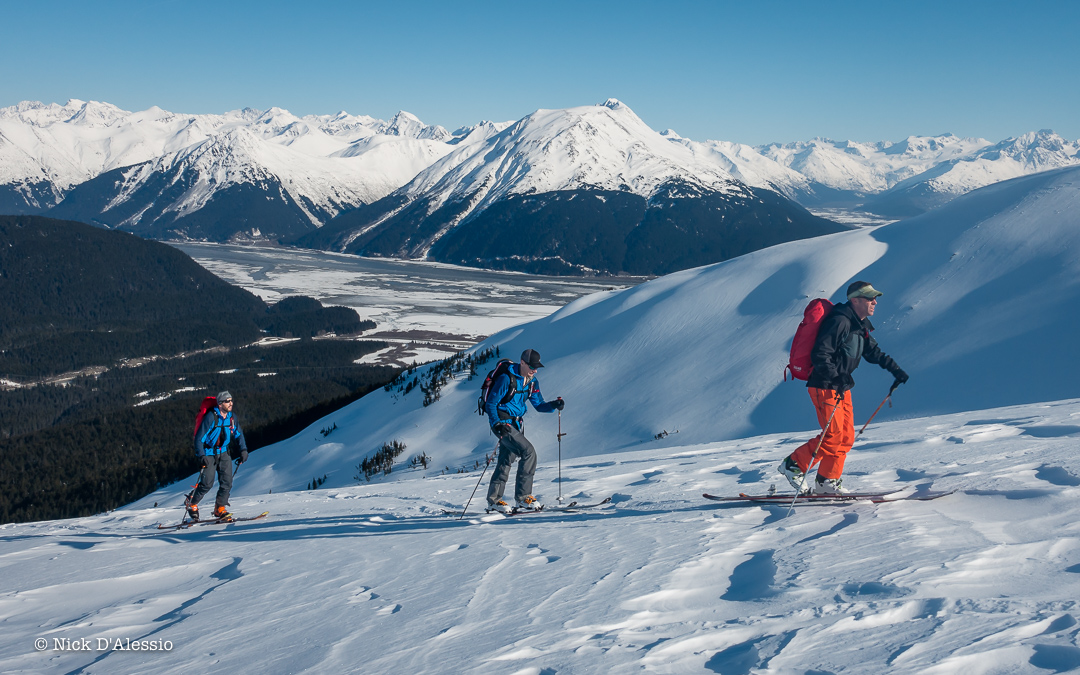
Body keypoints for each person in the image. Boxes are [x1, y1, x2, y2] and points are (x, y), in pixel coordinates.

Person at [778, 281, 909, 495]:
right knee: (833, 434)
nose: (874, 302)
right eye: (869, 298)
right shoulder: (839, 321)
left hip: (841, 385)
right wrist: (835, 378)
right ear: (855, 300)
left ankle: (827, 482)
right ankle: (794, 464)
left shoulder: (860, 325)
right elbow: (820, 354)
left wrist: (896, 370)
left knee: (845, 436)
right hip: (825, 384)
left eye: (875, 298)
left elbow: (874, 353)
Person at [484, 349, 564, 513]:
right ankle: (523, 498)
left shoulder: (533, 382)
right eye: (532, 366)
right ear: (522, 363)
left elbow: (539, 405)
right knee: (529, 452)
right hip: (502, 422)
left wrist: (553, 406)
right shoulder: (507, 379)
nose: (535, 370)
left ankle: (494, 501)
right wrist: (497, 423)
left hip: (516, 424)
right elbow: (490, 404)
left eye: (537, 367)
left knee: (506, 460)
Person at [186, 391, 249, 520]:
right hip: (209, 453)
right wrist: (201, 455)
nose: (230, 403)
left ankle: (220, 508)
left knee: (227, 482)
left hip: (224, 452)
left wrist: (243, 450)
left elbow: (239, 434)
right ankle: (192, 503)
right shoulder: (211, 417)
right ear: (220, 404)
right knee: (207, 483)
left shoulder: (231, 417)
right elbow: (199, 438)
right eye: (227, 401)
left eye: (231, 400)